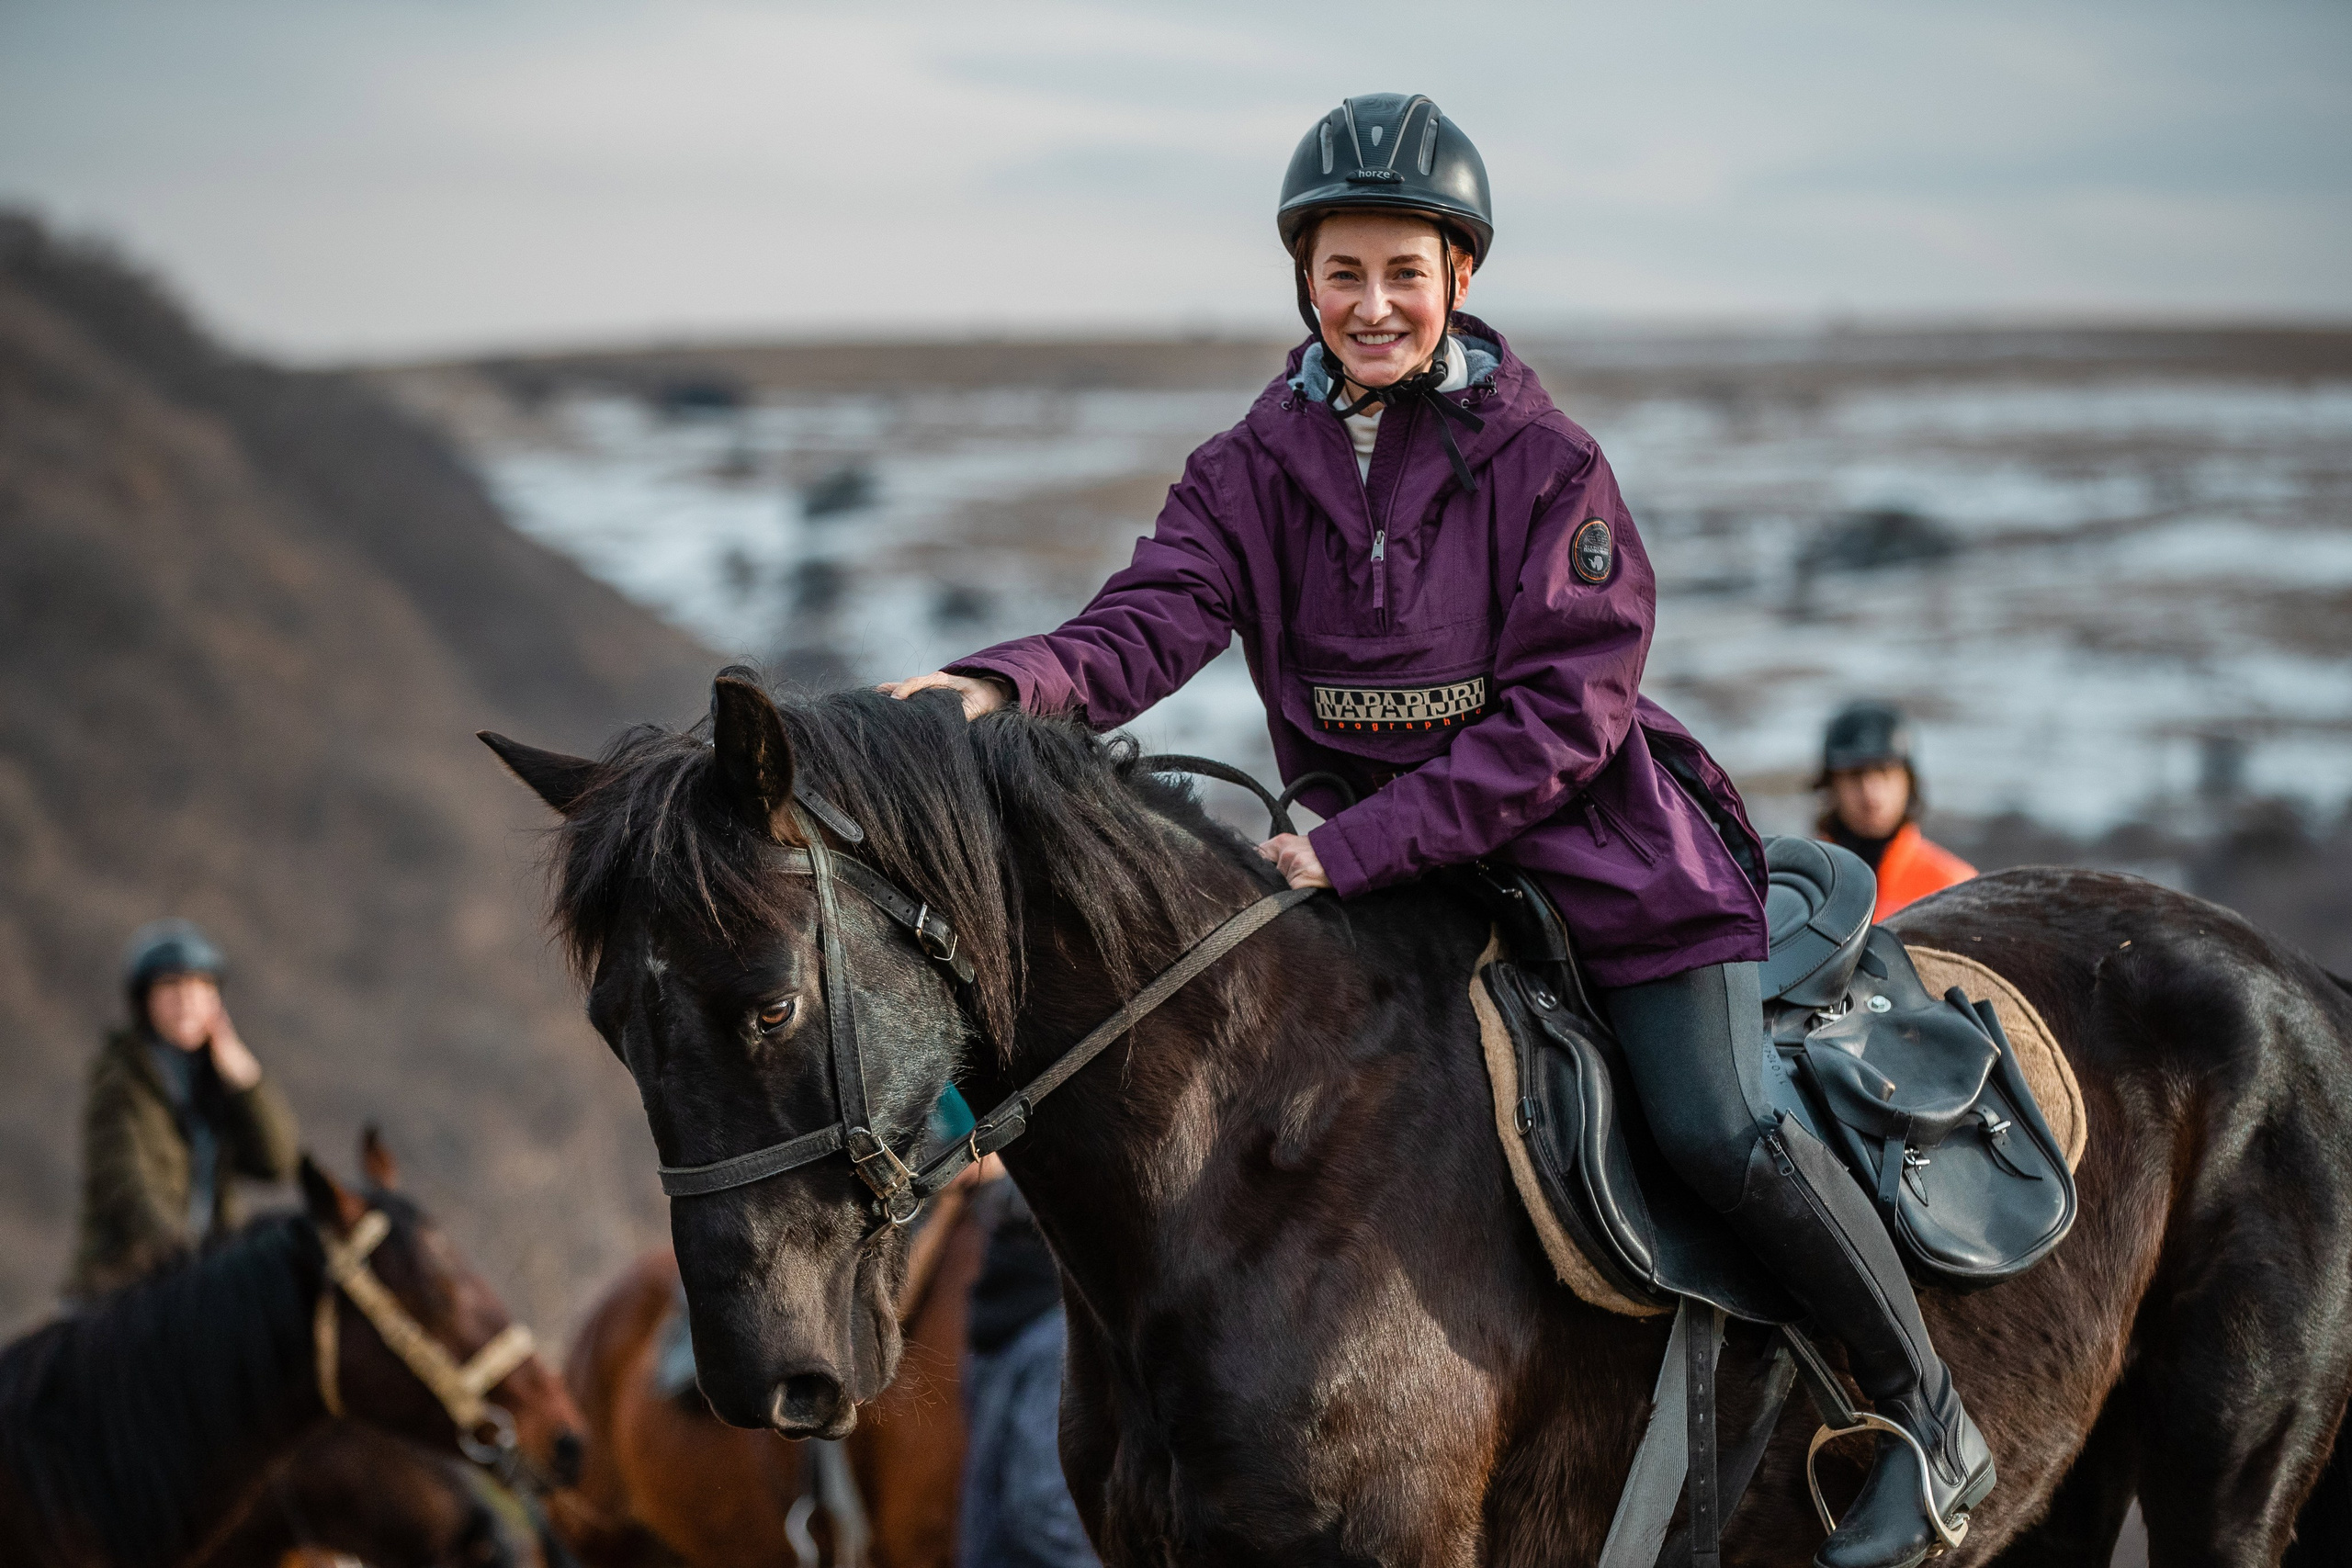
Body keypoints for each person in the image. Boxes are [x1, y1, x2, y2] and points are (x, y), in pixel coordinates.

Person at [885, 94, 1992, 1566]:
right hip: (1381, 893)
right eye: (1343, 271)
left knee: (1721, 1126)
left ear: (1458, 275)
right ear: (1304, 280)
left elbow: (1567, 717)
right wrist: (995, 686)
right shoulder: (1248, 470)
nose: (1373, 303)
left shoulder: (1548, 465)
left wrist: (1353, 842)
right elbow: (1146, 618)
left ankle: (1932, 1419)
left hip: (1606, 877)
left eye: (1404, 270)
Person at [66, 918, 300, 1301]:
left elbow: (277, 1163)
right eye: (171, 987)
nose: (187, 1001)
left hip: (202, 1281)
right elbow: (126, 1182)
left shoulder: (213, 1079)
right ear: (145, 1000)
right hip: (127, 1286)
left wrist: (246, 1081)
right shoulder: (121, 1080)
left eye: (200, 986)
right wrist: (180, 1256)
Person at [956, 1175, 1102, 1568]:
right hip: (1000, 1301)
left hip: (1055, 1304)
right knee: (984, 1526)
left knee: (1041, 1511)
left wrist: (993, 1166)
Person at [1816, 700, 1975, 921]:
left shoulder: (1956, 888)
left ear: (1909, 782)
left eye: (1884, 771)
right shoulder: (1800, 882)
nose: (1870, 791)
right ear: (1831, 784)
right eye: (1855, 774)